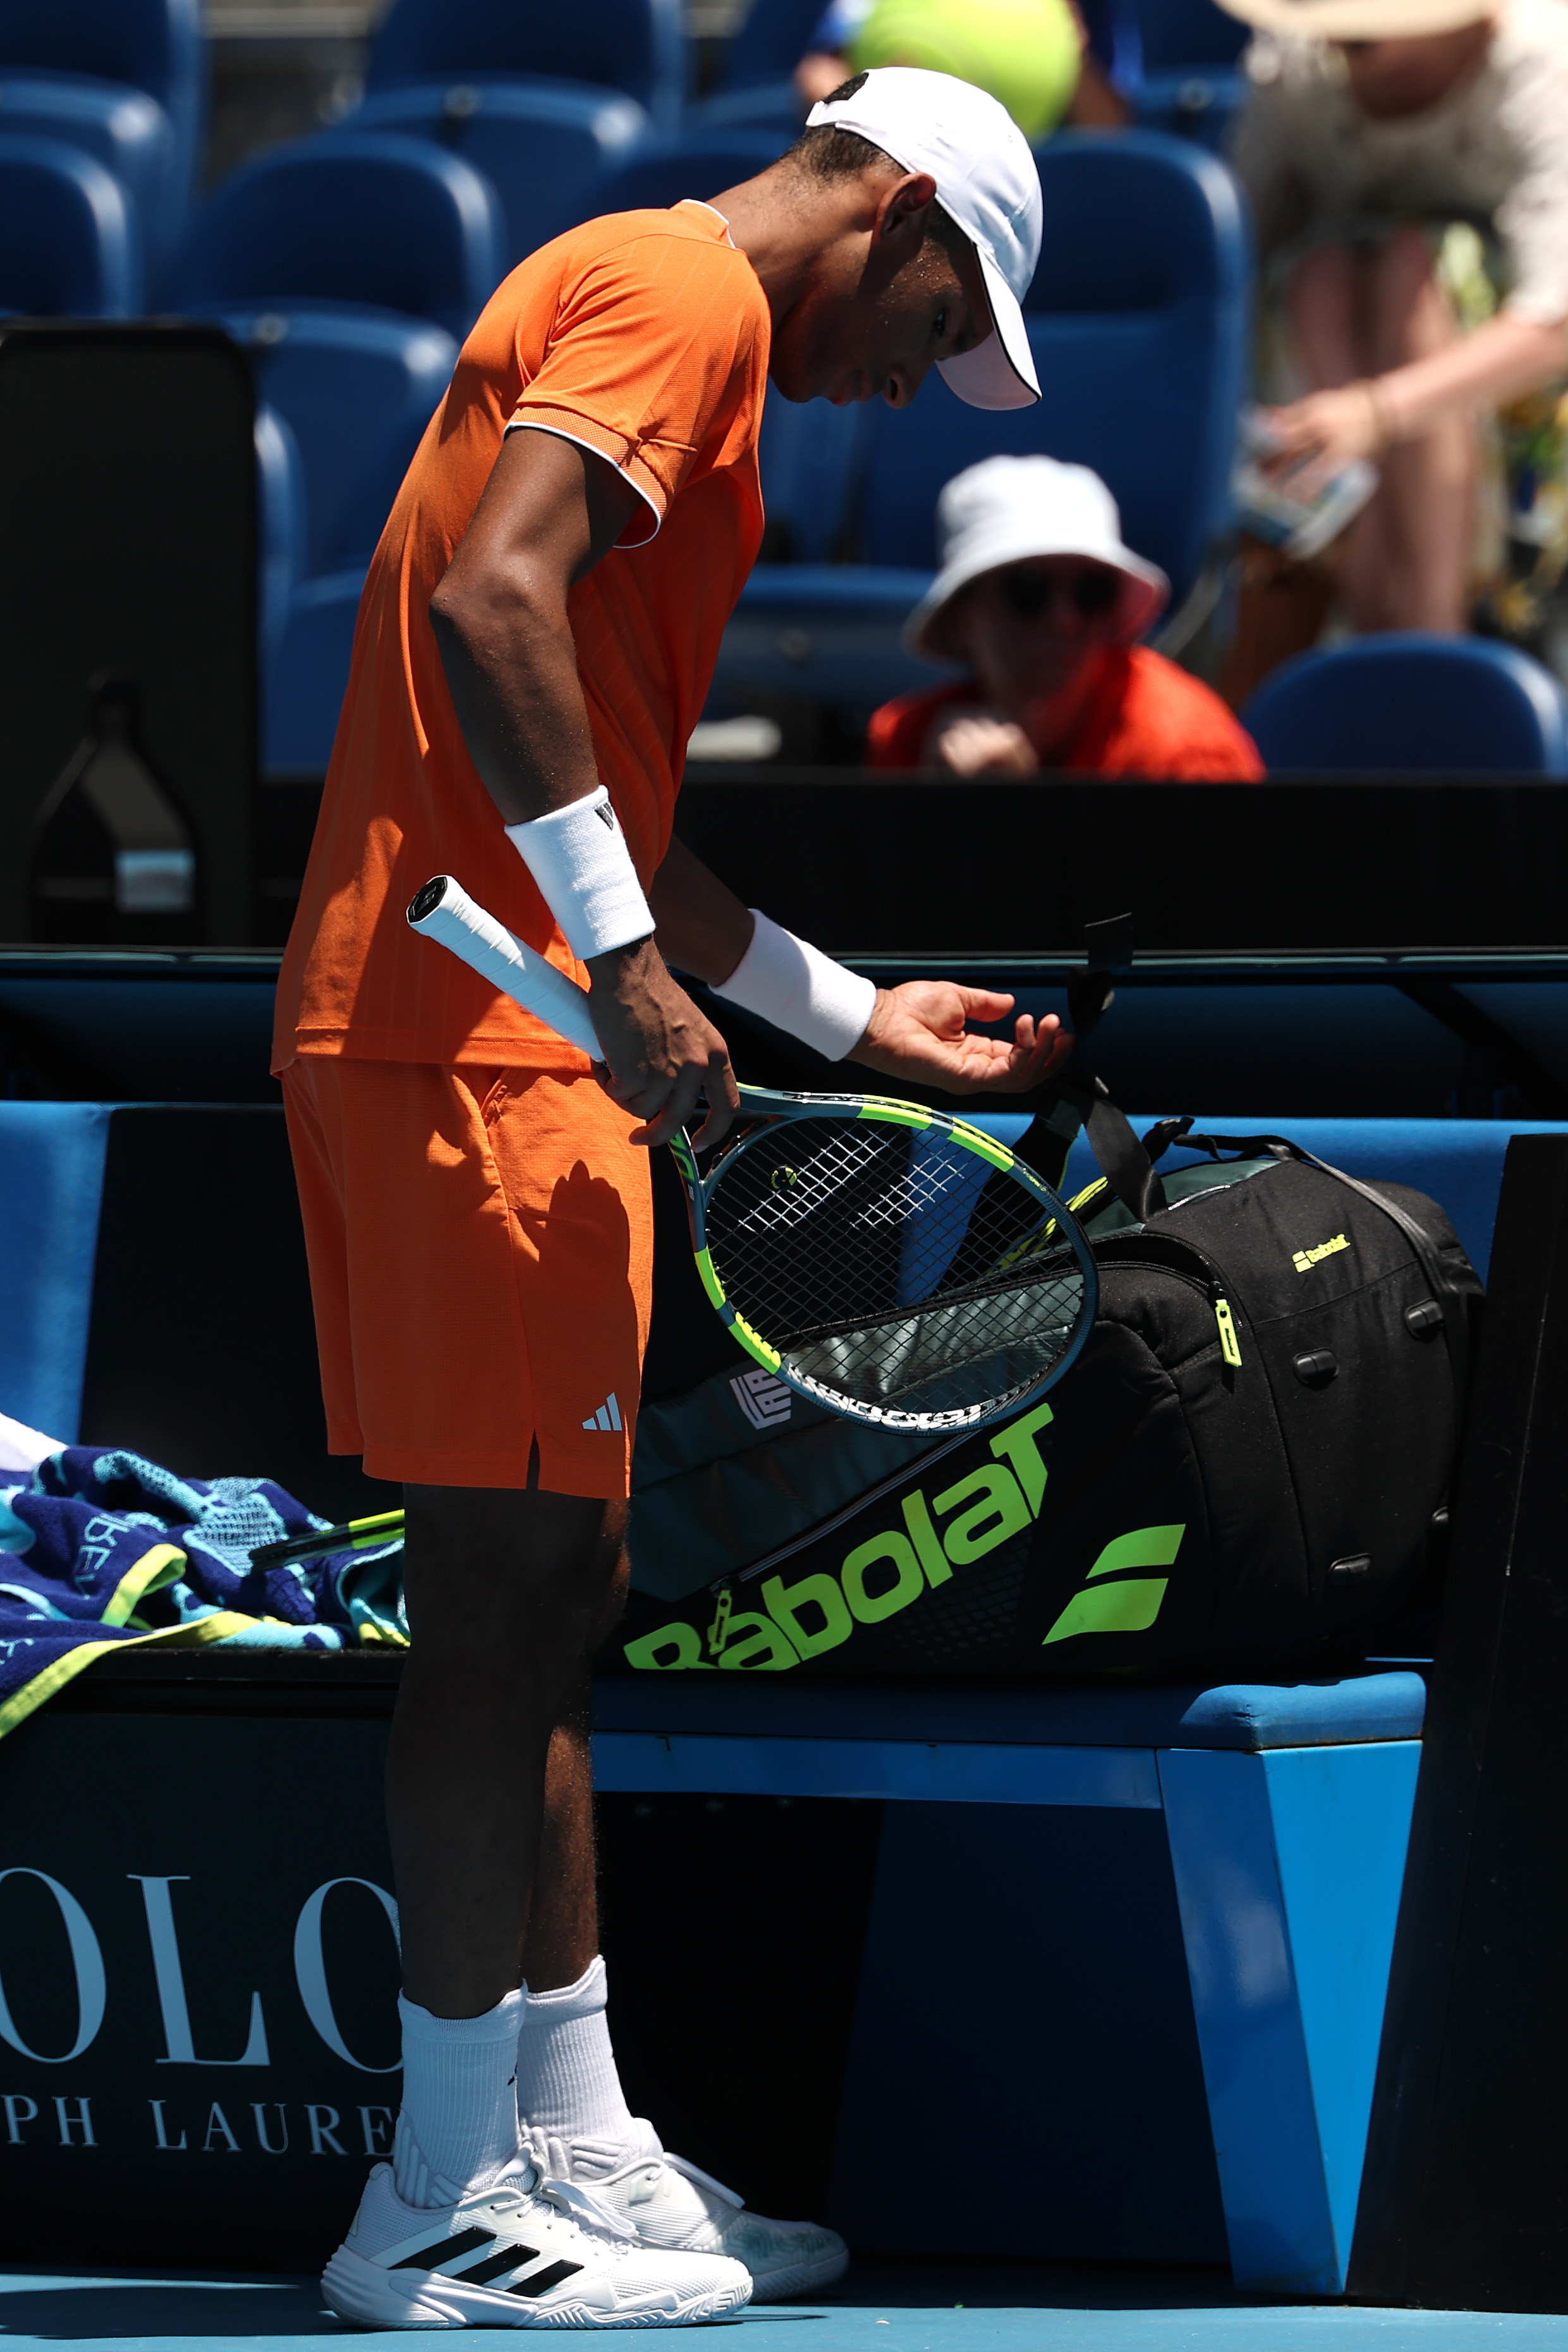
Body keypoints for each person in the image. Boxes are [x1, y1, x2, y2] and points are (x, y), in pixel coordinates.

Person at [272, 66, 1073, 2333]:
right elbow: (494, 612)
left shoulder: (687, 332)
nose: (913, 379)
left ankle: (567, 2137)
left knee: (559, 1582)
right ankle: (431, 2199)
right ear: (890, 207)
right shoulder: (674, 287)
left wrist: (846, 1016)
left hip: (513, 1023)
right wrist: (618, 962)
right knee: (494, 1593)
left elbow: (594, 763)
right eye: (939, 322)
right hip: (464, 1032)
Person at [1222, 0, 1568, 647]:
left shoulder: (1542, 64)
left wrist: (1375, 413)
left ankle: (1436, 633)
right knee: (1320, 276)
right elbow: (1238, 251)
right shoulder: (1293, 70)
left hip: (1522, 421)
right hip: (1332, 340)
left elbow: (1556, 323)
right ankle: (1379, 639)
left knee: (1415, 267)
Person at [866, 455, 1266, 777]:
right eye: (1028, 589)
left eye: (1091, 591)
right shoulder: (908, 744)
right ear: (962, 619)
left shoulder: (1185, 753)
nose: (1065, 619)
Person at [796, 0, 1131, 130]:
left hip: (1035, 184)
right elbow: (817, 77)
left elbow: (1108, 126)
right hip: (893, 171)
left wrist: (1072, 54)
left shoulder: (1091, 10)